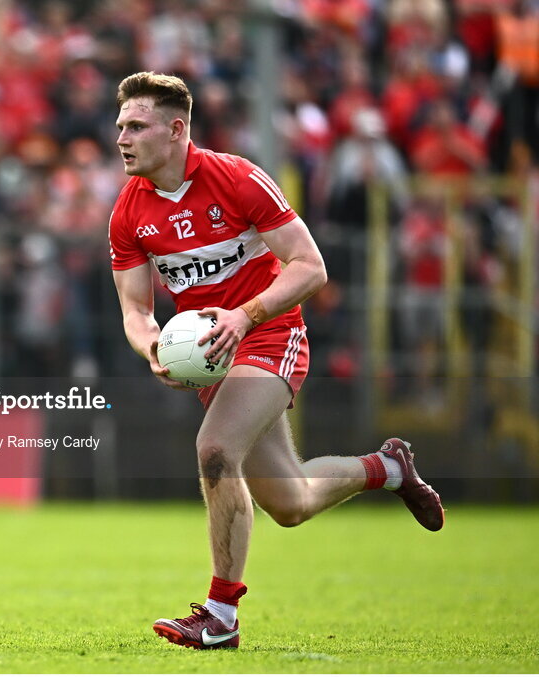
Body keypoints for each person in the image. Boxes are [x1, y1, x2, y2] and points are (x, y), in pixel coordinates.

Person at [107, 72, 445, 651]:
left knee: (215, 449)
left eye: (136, 125)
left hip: (270, 334)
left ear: (176, 129)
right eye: (120, 126)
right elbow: (135, 311)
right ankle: (386, 470)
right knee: (291, 503)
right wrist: (153, 347)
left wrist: (245, 315)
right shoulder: (127, 213)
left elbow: (310, 267)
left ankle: (220, 615)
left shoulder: (238, 179)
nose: (122, 138)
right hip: (214, 357)